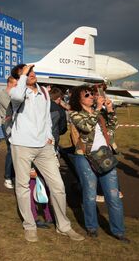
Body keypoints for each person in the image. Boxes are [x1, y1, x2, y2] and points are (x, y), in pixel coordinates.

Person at [9, 64, 84, 242]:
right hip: (22, 145)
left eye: (33, 72)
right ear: (20, 78)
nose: (32, 75)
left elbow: (46, 118)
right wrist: (23, 75)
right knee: (23, 187)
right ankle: (29, 226)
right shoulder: (16, 91)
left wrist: (49, 137)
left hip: (44, 146)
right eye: (27, 74)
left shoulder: (43, 91)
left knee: (58, 186)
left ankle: (64, 226)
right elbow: (18, 95)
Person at [68, 85, 129, 242]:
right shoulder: (75, 113)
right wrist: (98, 108)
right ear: (78, 99)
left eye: (91, 94)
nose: (91, 96)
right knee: (89, 195)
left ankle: (118, 231)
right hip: (85, 157)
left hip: (105, 155)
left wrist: (109, 110)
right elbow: (86, 127)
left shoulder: (98, 113)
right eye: (87, 94)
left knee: (113, 195)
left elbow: (112, 128)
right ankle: (92, 227)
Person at [0, 76, 17, 189]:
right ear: (10, 83)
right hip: (8, 126)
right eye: (16, 83)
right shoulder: (3, 95)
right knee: (11, 150)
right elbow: (13, 107)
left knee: (17, 150)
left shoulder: (13, 94)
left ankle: (14, 173)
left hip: (16, 125)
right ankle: (8, 177)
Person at [49, 87, 68, 151]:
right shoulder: (60, 110)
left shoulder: (42, 105)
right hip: (53, 137)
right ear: (59, 98)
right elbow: (63, 128)